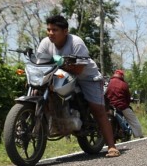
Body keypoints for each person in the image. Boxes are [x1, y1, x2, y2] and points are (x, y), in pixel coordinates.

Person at [37, 14, 121, 157]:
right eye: (49, 29)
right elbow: (40, 65)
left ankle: (112, 146)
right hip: (59, 75)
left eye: (55, 30)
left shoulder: (76, 42)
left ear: (65, 31)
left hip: (87, 77)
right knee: (39, 89)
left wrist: (61, 63)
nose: (51, 33)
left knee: (97, 109)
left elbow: (79, 70)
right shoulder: (45, 43)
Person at [105, 69, 144, 140]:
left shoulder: (110, 82)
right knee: (133, 120)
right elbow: (127, 97)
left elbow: (107, 93)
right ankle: (140, 135)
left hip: (110, 106)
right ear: (121, 75)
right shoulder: (124, 84)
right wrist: (127, 103)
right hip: (121, 106)